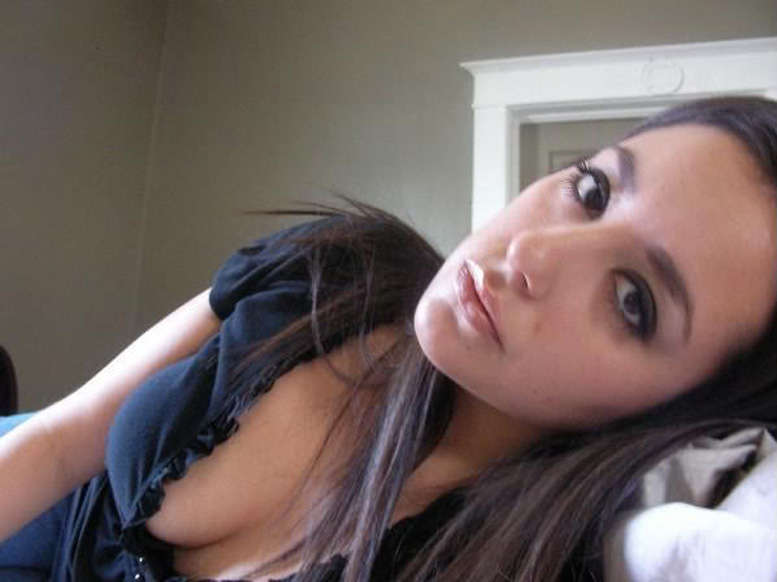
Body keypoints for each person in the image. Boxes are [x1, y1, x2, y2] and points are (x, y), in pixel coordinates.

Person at [1, 95, 776, 582]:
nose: (531, 254)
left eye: (632, 301)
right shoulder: (336, 265)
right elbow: (61, 440)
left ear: (680, 410)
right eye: (591, 190)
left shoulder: (521, 558)